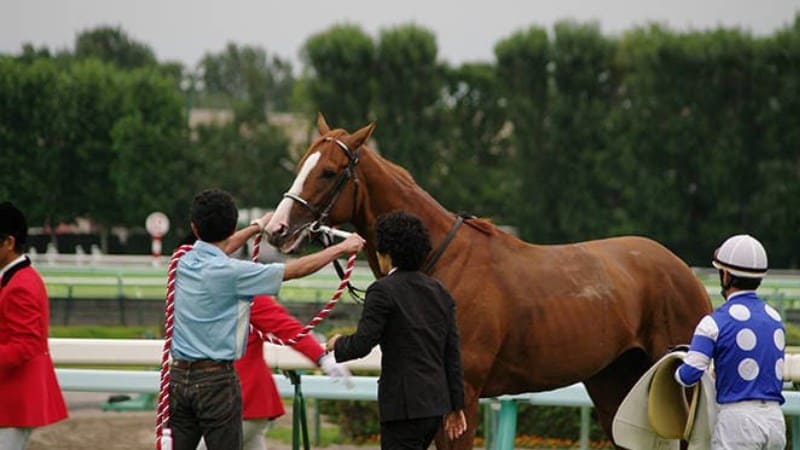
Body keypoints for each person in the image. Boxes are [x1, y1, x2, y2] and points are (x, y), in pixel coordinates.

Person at [168, 188, 364, 450]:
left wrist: (256, 227)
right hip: (221, 388)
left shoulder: (181, 260)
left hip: (181, 380)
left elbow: (217, 247)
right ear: (230, 228)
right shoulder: (238, 278)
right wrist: (341, 248)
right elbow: (293, 273)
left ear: (194, 227)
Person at [326, 211, 467, 449]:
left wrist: (336, 344)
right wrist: (456, 405)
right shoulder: (439, 291)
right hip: (434, 406)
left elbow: (362, 344)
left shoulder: (382, 290)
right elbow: (451, 354)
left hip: (402, 407)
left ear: (387, 255)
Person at [675, 234, 786, 449]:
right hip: (775, 421)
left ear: (726, 275)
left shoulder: (713, 323)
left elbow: (688, 376)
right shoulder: (775, 318)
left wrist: (676, 364)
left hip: (737, 424)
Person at [0, 202, 68, 450]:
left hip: (14, 400)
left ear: (8, 242)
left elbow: (25, 344)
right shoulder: (16, 278)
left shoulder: (21, 285)